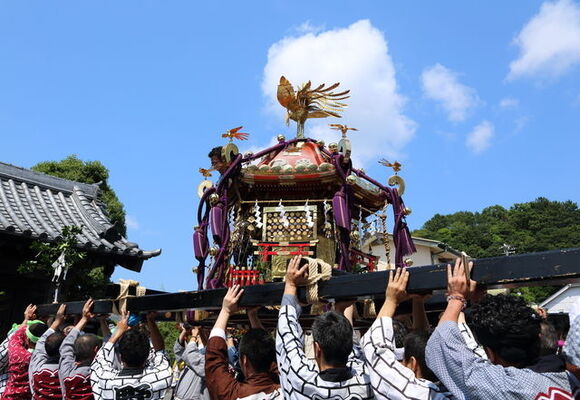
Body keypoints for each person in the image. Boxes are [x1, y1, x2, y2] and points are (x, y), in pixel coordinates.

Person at [426, 258, 575, 400]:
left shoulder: (506, 387)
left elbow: (440, 346)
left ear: (489, 354)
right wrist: (478, 302)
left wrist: (457, 297)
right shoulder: (569, 376)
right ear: (539, 337)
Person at [276, 256, 373, 400]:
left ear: (317, 349)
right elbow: (355, 358)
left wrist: (290, 284)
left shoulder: (301, 380)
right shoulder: (368, 383)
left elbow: (286, 337)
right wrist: (339, 310)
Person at [361, 267, 451, 399]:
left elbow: (373, 348)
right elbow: (422, 343)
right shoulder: (454, 391)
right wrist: (418, 301)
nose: (401, 364)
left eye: (403, 360)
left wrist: (391, 300)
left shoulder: (407, 392)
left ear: (413, 364)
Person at [205, 285, 281, 400]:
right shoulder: (287, 390)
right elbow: (270, 356)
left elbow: (214, 359)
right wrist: (252, 315)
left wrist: (225, 310)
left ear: (244, 361)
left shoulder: (232, 395)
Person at [90, 311, 172, 400]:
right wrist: (151, 321)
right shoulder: (161, 378)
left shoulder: (105, 380)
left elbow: (101, 358)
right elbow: (160, 351)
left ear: (121, 357)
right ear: (147, 356)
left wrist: (118, 331)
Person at [59, 299, 103, 400]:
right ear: (96, 350)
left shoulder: (66, 372)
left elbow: (66, 346)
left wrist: (84, 319)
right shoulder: (100, 374)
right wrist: (103, 321)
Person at [3, 305, 48, 400]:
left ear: (27, 338)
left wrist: (27, 319)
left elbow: (15, 336)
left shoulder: (18, 353)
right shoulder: (44, 359)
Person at [29, 304, 67, 400]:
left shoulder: (37, 367)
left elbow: (40, 344)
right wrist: (82, 320)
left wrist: (57, 321)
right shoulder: (69, 373)